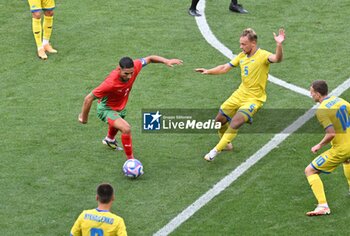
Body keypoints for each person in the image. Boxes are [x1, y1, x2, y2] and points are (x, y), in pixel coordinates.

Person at [195, 28, 285, 161]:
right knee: (219, 121)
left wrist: (279, 44)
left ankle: (214, 151)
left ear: (253, 43)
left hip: (254, 99)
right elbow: (225, 68)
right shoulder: (241, 57)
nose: (241, 47)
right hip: (239, 94)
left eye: (243, 44)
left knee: (235, 123)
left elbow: (277, 58)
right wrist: (208, 71)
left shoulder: (263, 56)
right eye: (240, 44)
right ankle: (226, 145)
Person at [78, 56, 182, 159]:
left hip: (120, 106)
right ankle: (131, 161)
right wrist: (84, 118)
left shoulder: (135, 66)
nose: (129, 76)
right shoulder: (110, 83)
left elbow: (150, 58)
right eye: (126, 74)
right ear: (119, 69)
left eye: (131, 73)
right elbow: (88, 98)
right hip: (106, 109)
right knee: (126, 128)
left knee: (119, 119)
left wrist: (166, 61)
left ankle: (109, 139)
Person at [304, 80, 350, 216]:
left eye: (311, 92)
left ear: (318, 94)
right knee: (347, 161)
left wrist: (319, 145)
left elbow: (331, 134)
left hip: (342, 148)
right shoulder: (339, 100)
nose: (310, 94)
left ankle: (323, 205)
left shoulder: (321, 111)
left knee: (310, 171)